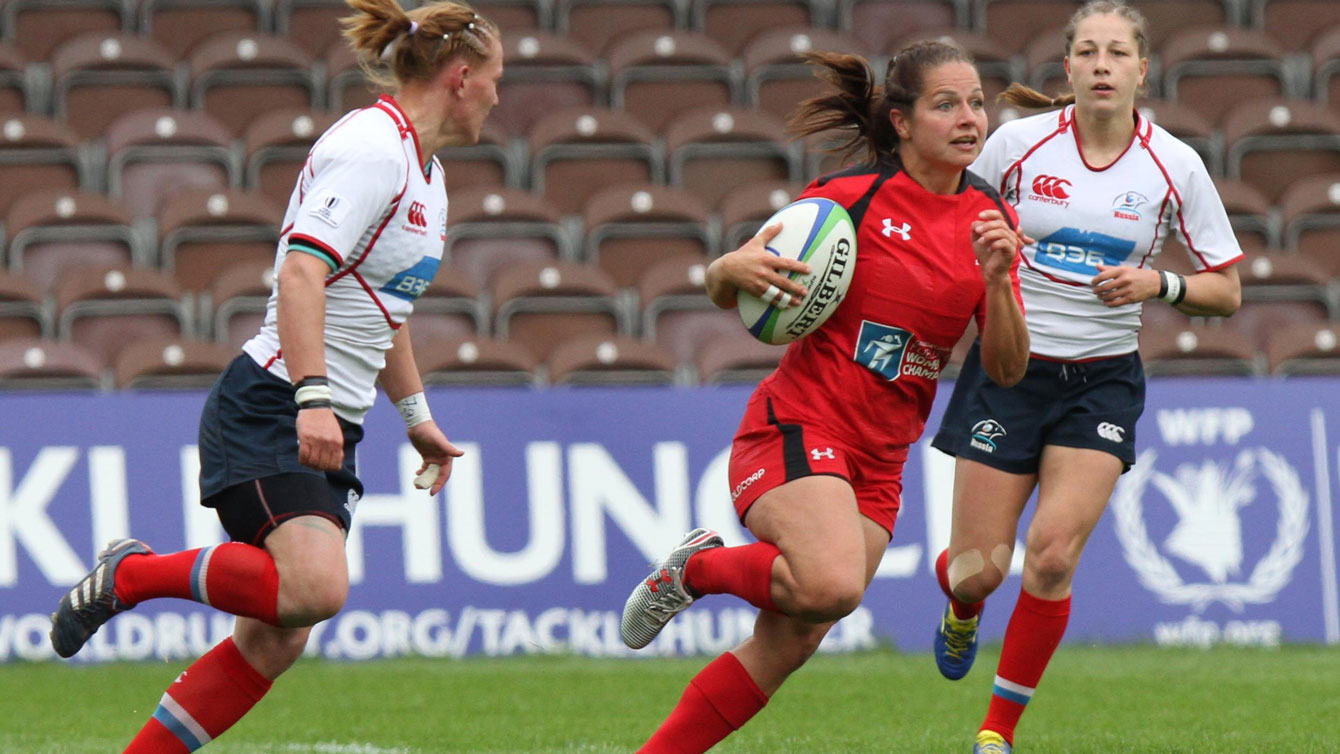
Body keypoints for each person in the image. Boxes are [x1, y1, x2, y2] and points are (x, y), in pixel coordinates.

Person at [47, 1, 501, 750]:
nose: (496, 96)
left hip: (324, 416)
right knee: (313, 590)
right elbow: (300, 273)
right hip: (272, 402)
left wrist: (415, 417)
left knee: (276, 637)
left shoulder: (427, 173)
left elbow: (383, 307)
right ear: (459, 78)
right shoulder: (374, 149)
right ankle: (131, 576)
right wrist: (312, 398)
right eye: (494, 80)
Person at [618, 40, 1031, 753]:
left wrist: (999, 281)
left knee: (787, 646)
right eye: (946, 104)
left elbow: (1006, 369)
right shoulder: (846, 203)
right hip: (797, 425)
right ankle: (698, 568)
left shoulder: (989, 217)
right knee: (831, 585)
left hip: (880, 461)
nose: (969, 118)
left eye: (975, 103)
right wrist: (724, 267)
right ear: (900, 122)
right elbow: (736, 291)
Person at [926, 3, 1243, 753]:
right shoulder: (1018, 143)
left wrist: (1156, 286)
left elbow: (1227, 291)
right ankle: (962, 607)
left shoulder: (1174, 164)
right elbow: (945, 215)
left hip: (1102, 380)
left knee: (1055, 553)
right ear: (1067, 70)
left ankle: (995, 732)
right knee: (977, 572)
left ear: (1141, 69)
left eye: (1118, 53)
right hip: (1009, 369)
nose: (1103, 65)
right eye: (1089, 53)